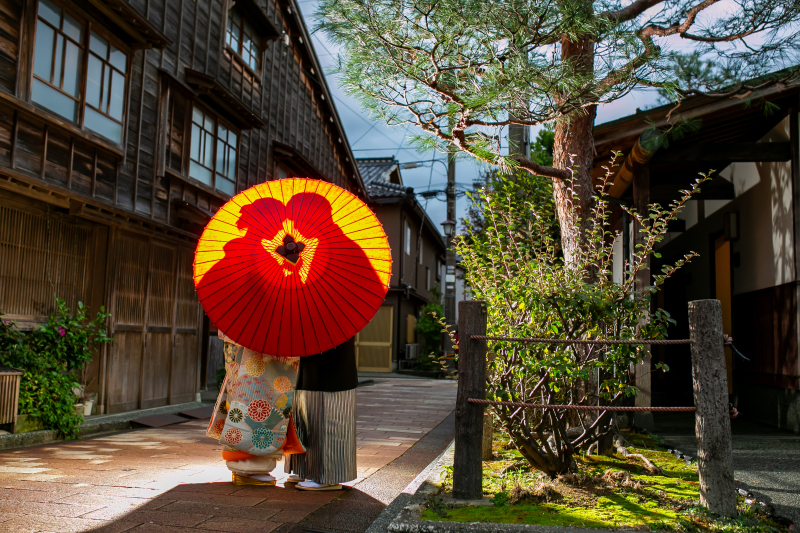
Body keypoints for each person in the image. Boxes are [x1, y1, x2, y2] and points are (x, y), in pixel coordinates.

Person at [207, 331, 305, 485]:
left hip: (242, 339)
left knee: (244, 399)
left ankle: (245, 467)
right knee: (257, 400)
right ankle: (251, 468)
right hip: (257, 344)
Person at [285, 338, 358, 491]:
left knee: (328, 420)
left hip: (331, 366)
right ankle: (305, 469)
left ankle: (328, 477)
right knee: (304, 418)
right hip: (310, 360)